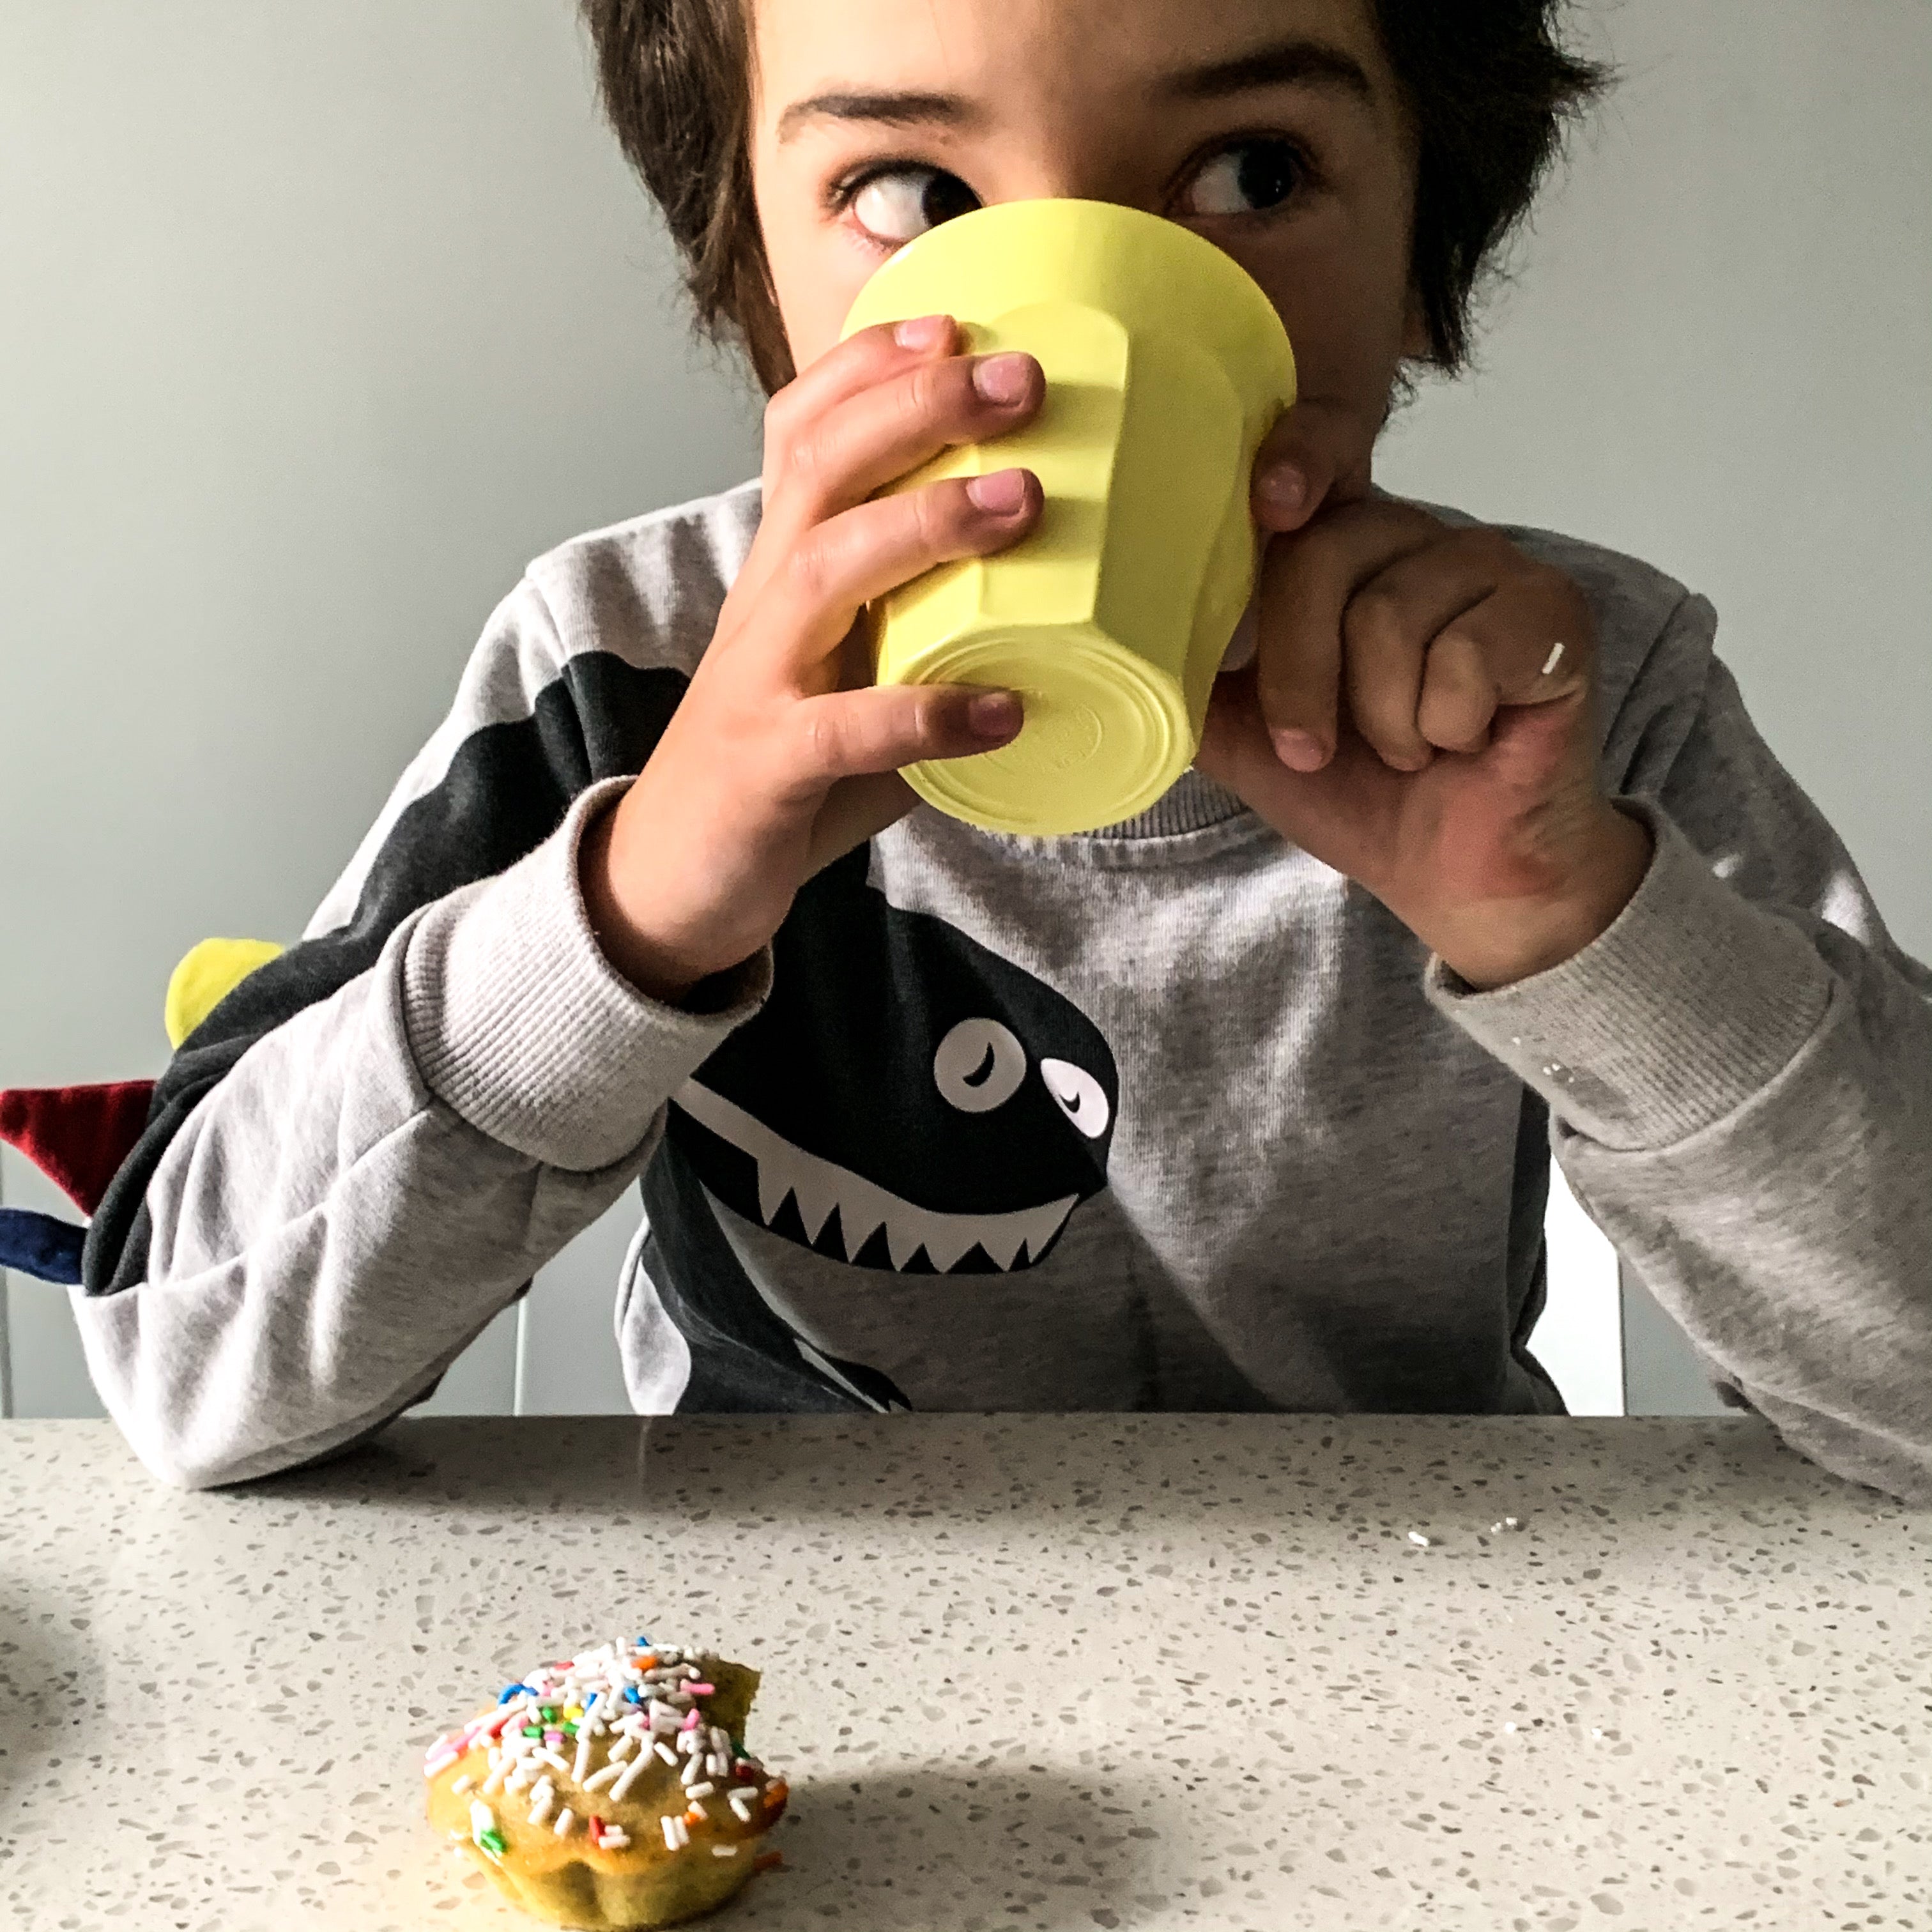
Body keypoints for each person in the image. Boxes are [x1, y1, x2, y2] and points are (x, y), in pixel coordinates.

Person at [71, 0, 1932, 1497]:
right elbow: (178, 1360)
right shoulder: (630, 666)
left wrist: (1581, 931)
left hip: (1438, 1626)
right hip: (806, 1666)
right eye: (909, 192)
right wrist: (628, 916)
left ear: (1425, 248)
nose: (1075, 323)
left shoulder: (1558, 696)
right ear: (757, 281)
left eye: (1252, 170)